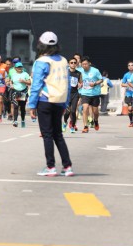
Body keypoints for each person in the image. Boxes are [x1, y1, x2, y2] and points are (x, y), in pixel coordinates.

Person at [28, 31, 74, 177]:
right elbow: (67, 84)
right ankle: (67, 166)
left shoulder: (41, 61)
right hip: (60, 101)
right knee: (58, 134)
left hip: (45, 101)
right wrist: (65, 103)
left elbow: (36, 85)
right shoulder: (64, 61)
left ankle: (51, 167)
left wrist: (32, 105)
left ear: (41, 45)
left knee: (47, 135)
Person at [78, 56, 103, 133]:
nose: (84, 65)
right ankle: (85, 126)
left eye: (86, 64)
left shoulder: (95, 71)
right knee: (85, 108)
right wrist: (79, 84)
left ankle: (96, 121)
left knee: (95, 112)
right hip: (85, 93)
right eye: (83, 64)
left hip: (95, 93)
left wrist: (94, 83)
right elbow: (79, 80)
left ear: (89, 63)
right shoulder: (80, 71)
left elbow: (101, 79)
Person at [62, 57, 82, 133]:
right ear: (69, 64)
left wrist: (80, 85)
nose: (73, 64)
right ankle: (64, 122)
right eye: (71, 62)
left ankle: (72, 126)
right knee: (67, 112)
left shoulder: (79, 73)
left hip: (75, 94)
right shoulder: (65, 72)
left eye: (74, 63)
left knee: (73, 111)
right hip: (67, 94)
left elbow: (81, 82)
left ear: (76, 64)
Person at [9, 61, 31, 127]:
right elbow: (11, 81)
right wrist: (11, 85)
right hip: (15, 91)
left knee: (22, 107)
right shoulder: (13, 75)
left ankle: (23, 120)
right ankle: (15, 121)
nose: (19, 68)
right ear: (15, 68)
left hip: (23, 91)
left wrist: (23, 81)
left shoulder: (25, 74)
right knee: (15, 106)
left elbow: (29, 82)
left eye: (20, 67)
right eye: (18, 67)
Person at [121, 61, 133, 127]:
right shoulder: (126, 75)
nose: (130, 66)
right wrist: (128, 85)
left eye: (132, 65)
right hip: (129, 94)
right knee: (129, 109)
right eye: (129, 65)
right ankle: (131, 122)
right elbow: (122, 84)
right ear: (127, 67)